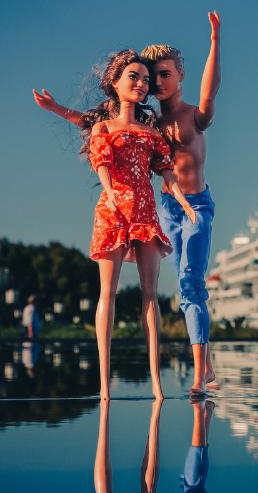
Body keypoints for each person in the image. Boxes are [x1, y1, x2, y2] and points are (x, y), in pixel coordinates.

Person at [33, 11, 222, 397]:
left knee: (185, 284)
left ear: (178, 75)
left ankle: (192, 374)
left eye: (158, 76)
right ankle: (193, 365)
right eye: (149, 78)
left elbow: (207, 95)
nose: (152, 83)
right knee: (162, 289)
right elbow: (94, 124)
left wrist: (216, 41)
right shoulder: (138, 125)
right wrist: (56, 110)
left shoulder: (181, 121)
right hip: (153, 209)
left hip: (185, 205)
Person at [81, 49, 195, 400]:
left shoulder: (151, 133)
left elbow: (165, 171)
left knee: (151, 294)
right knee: (108, 293)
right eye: (134, 77)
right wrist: (110, 191)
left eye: (145, 79)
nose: (142, 84)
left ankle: (157, 382)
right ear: (114, 83)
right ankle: (103, 383)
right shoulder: (103, 128)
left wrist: (184, 202)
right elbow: (101, 162)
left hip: (145, 212)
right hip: (113, 210)